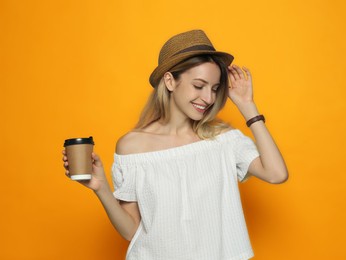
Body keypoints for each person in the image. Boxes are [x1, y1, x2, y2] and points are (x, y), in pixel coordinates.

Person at [62, 29, 288, 260]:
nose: (209, 98)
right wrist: (101, 189)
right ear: (170, 81)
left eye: (214, 88)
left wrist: (248, 106)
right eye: (199, 86)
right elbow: (131, 231)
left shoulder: (223, 141)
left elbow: (276, 174)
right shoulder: (132, 147)